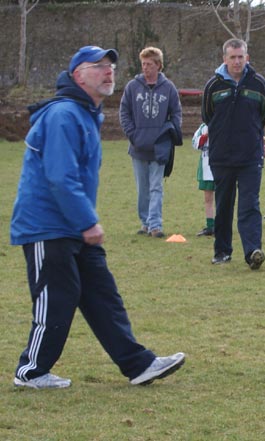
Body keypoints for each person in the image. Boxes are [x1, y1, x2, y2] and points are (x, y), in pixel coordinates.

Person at [10, 45, 185, 389]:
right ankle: (31, 372)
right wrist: (88, 221)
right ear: (78, 75)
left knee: (103, 295)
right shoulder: (63, 115)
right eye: (98, 66)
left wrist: (83, 221)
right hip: (47, 226)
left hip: (73, 226)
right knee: (57, 297)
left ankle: (139, 365)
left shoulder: (85, 114)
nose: (108, 72)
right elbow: (60, 177)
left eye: (111, 67)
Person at [202, 38, 265, 269]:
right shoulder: (213, 86)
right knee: (224, 205)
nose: (237, 61)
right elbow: (207, 116)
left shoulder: (259, 84)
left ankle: (252, 252)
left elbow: (262, 116)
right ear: (225, 59)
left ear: (247, 58)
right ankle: (222, 251)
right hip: (221, 157)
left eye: (241, 56)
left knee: (249, 204)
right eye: (233, 57)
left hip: (250, 156)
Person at [119, 46, 182, 238]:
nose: (145, 68)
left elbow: (176, 113)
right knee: (143, 189)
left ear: (158, 66)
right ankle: (145, 222)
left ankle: (156, 225)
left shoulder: (169, 88)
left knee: (156, 187)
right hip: (138, 146)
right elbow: (124, 112)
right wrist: (133, 134)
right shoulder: (132, 86)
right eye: (143, 64)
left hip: (160, 146)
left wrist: (169, 133)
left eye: (149, 64)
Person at [192, 123, 215, 236]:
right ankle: (210, 225)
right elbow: (195, 142)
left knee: (223, 197)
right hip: (206, 166)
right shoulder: (203, 127)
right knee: (208, 198)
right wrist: (205, 136)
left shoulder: (224, 122)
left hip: (222, 165)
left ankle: (222, 224)